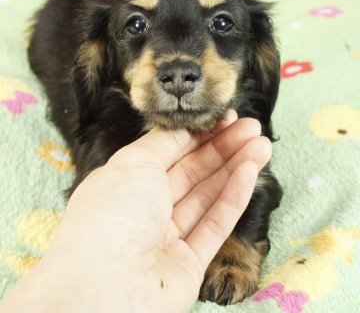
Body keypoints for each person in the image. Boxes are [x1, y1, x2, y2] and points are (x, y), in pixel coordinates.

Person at [0, 110, 272, 313]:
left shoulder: (238, 125)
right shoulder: (108, 139)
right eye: (138, 28)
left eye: (222, 27)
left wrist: (237, 246)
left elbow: (261, 188)